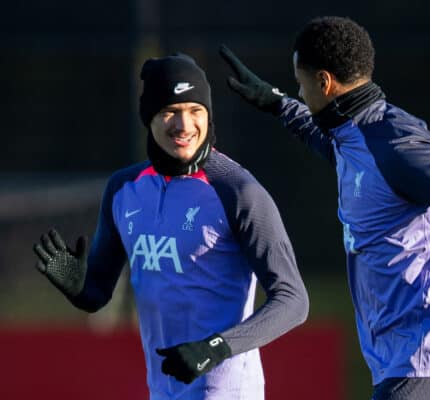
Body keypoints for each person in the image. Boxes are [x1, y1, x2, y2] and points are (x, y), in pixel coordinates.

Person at [219, 16, 430, 400]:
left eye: (300, 85)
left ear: (324, 83)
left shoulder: (398, 146)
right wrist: (278, 103)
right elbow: (331, 144)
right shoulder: (352, 136)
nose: (300, 94)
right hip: (404, 365)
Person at [33, 53, 309, 400]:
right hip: (162, 390)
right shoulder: (124, 189)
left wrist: (217, 347)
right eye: (170, 112)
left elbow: (294, 301)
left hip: (226, 390)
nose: (184, 125)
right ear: (149, 118)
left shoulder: (239, 192)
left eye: (196, 111)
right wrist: (78, 288)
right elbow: (97, 294)